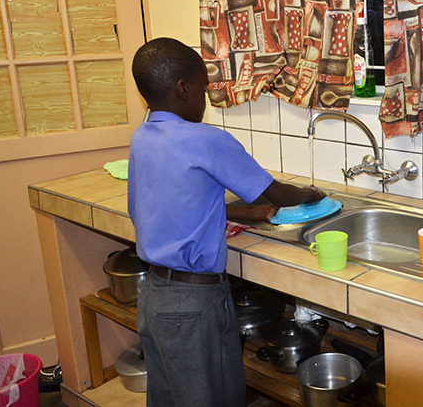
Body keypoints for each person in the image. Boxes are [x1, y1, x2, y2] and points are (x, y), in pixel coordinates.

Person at [127, 37, 324, 406]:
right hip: (193, 302)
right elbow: (277, 193)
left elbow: (171, 203)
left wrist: (243, 214)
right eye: (203, 90)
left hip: (153, 297)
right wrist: (311, 193)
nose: (204, 101)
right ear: (183, 89)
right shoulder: (207, 140)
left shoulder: (142, 138)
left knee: (169, 397)